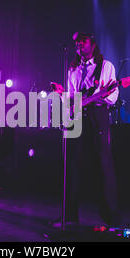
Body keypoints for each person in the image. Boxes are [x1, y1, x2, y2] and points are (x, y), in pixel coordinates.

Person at [51, 32, 119, 230]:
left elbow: (113, 96)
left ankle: (111, 217)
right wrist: (62, 93)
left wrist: (97, 97)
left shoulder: (106, 66)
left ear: (92, 44)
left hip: (98, 115)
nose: (79, 45)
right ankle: (69, 216)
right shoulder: (73, 69)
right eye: (77, 43)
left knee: (104, 164)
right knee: (71, 164)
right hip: (78, 117)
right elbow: (73, 97)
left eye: (83, 42)